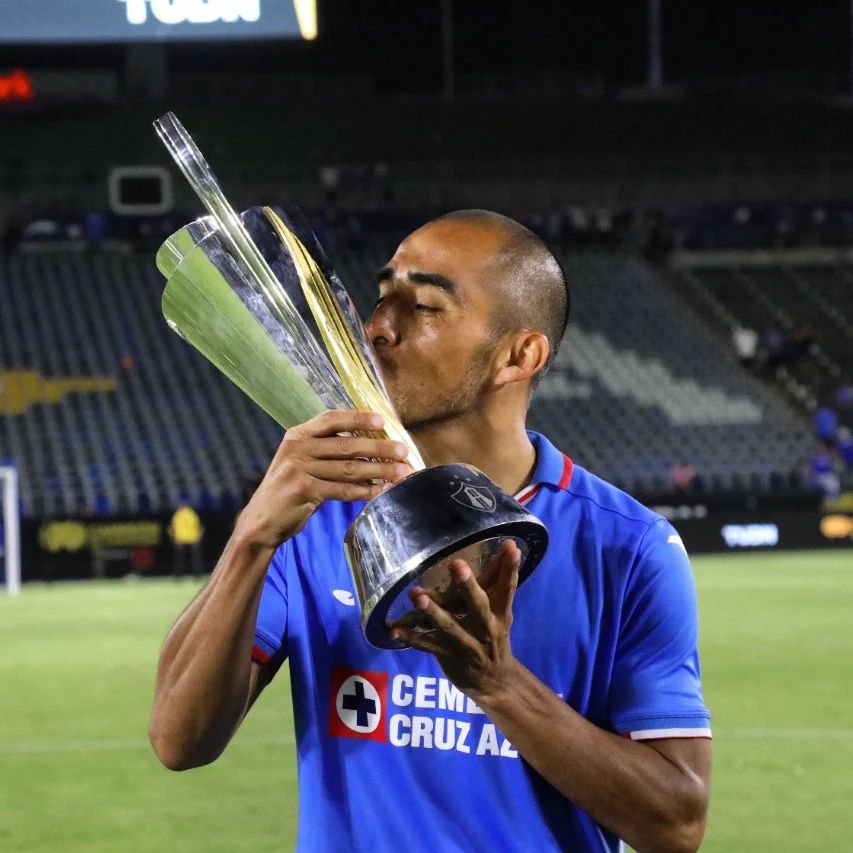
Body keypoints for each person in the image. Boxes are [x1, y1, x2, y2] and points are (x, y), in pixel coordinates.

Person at [149, 210, 712, 853]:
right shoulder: (318, 511)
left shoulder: (628, 547)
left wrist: (500, 686)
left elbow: (677, 825)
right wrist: (252, 536)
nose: (376, 327)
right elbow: (177, 740)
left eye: (425, 306)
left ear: (518, 354)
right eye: (383, 295)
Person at [168, 498, 204, 579]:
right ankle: (197, 575)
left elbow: (173, 528)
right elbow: (198, 527)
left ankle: (179, 575)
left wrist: (173, 538)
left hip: (181, 539)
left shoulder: (178, 514)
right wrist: (198, 537)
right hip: (192, 539)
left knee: (180, 559)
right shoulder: (192, 514)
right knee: (193, 559)